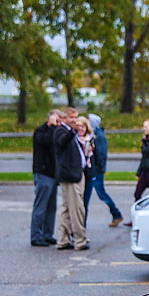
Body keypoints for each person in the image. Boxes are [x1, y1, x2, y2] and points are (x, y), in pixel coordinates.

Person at [53, 107, 89, 251]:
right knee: (77, 209)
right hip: (70, 176)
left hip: (76, 174)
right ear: (63, 119)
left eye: (76, 117)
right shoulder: (61, 132)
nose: (75, 120)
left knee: (67, 209)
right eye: (71, 118)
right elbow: (62, 141)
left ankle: (63, 239)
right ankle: (80, 240)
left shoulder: (71, 134)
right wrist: (72, 131)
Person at [85, 114, 123, 227]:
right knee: (100, 193)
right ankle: (116, 214)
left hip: (97, 170)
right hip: (95, 169)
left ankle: (116, 214)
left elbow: (101, 154)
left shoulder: (99, 136)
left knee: (101, 193)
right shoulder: (93, 134)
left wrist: (97, 169)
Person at [124, 119, 149, 228]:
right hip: (145, 171)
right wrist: (139, 172)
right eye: (144, 126)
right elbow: (144, 158)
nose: (144, 128)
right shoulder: (145, 140)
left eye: (146, 126)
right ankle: (136, 218)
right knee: (137, 194)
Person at [30, 110, 61, 247]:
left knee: (51, 207)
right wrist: (53, 127)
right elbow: (48, 141)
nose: (58, 124)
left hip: (53, 174)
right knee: (41, 206)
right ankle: (36, 235)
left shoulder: (55, 131)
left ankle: (48, 234)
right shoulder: (41, 132)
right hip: (43, 173)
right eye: (56, 120)